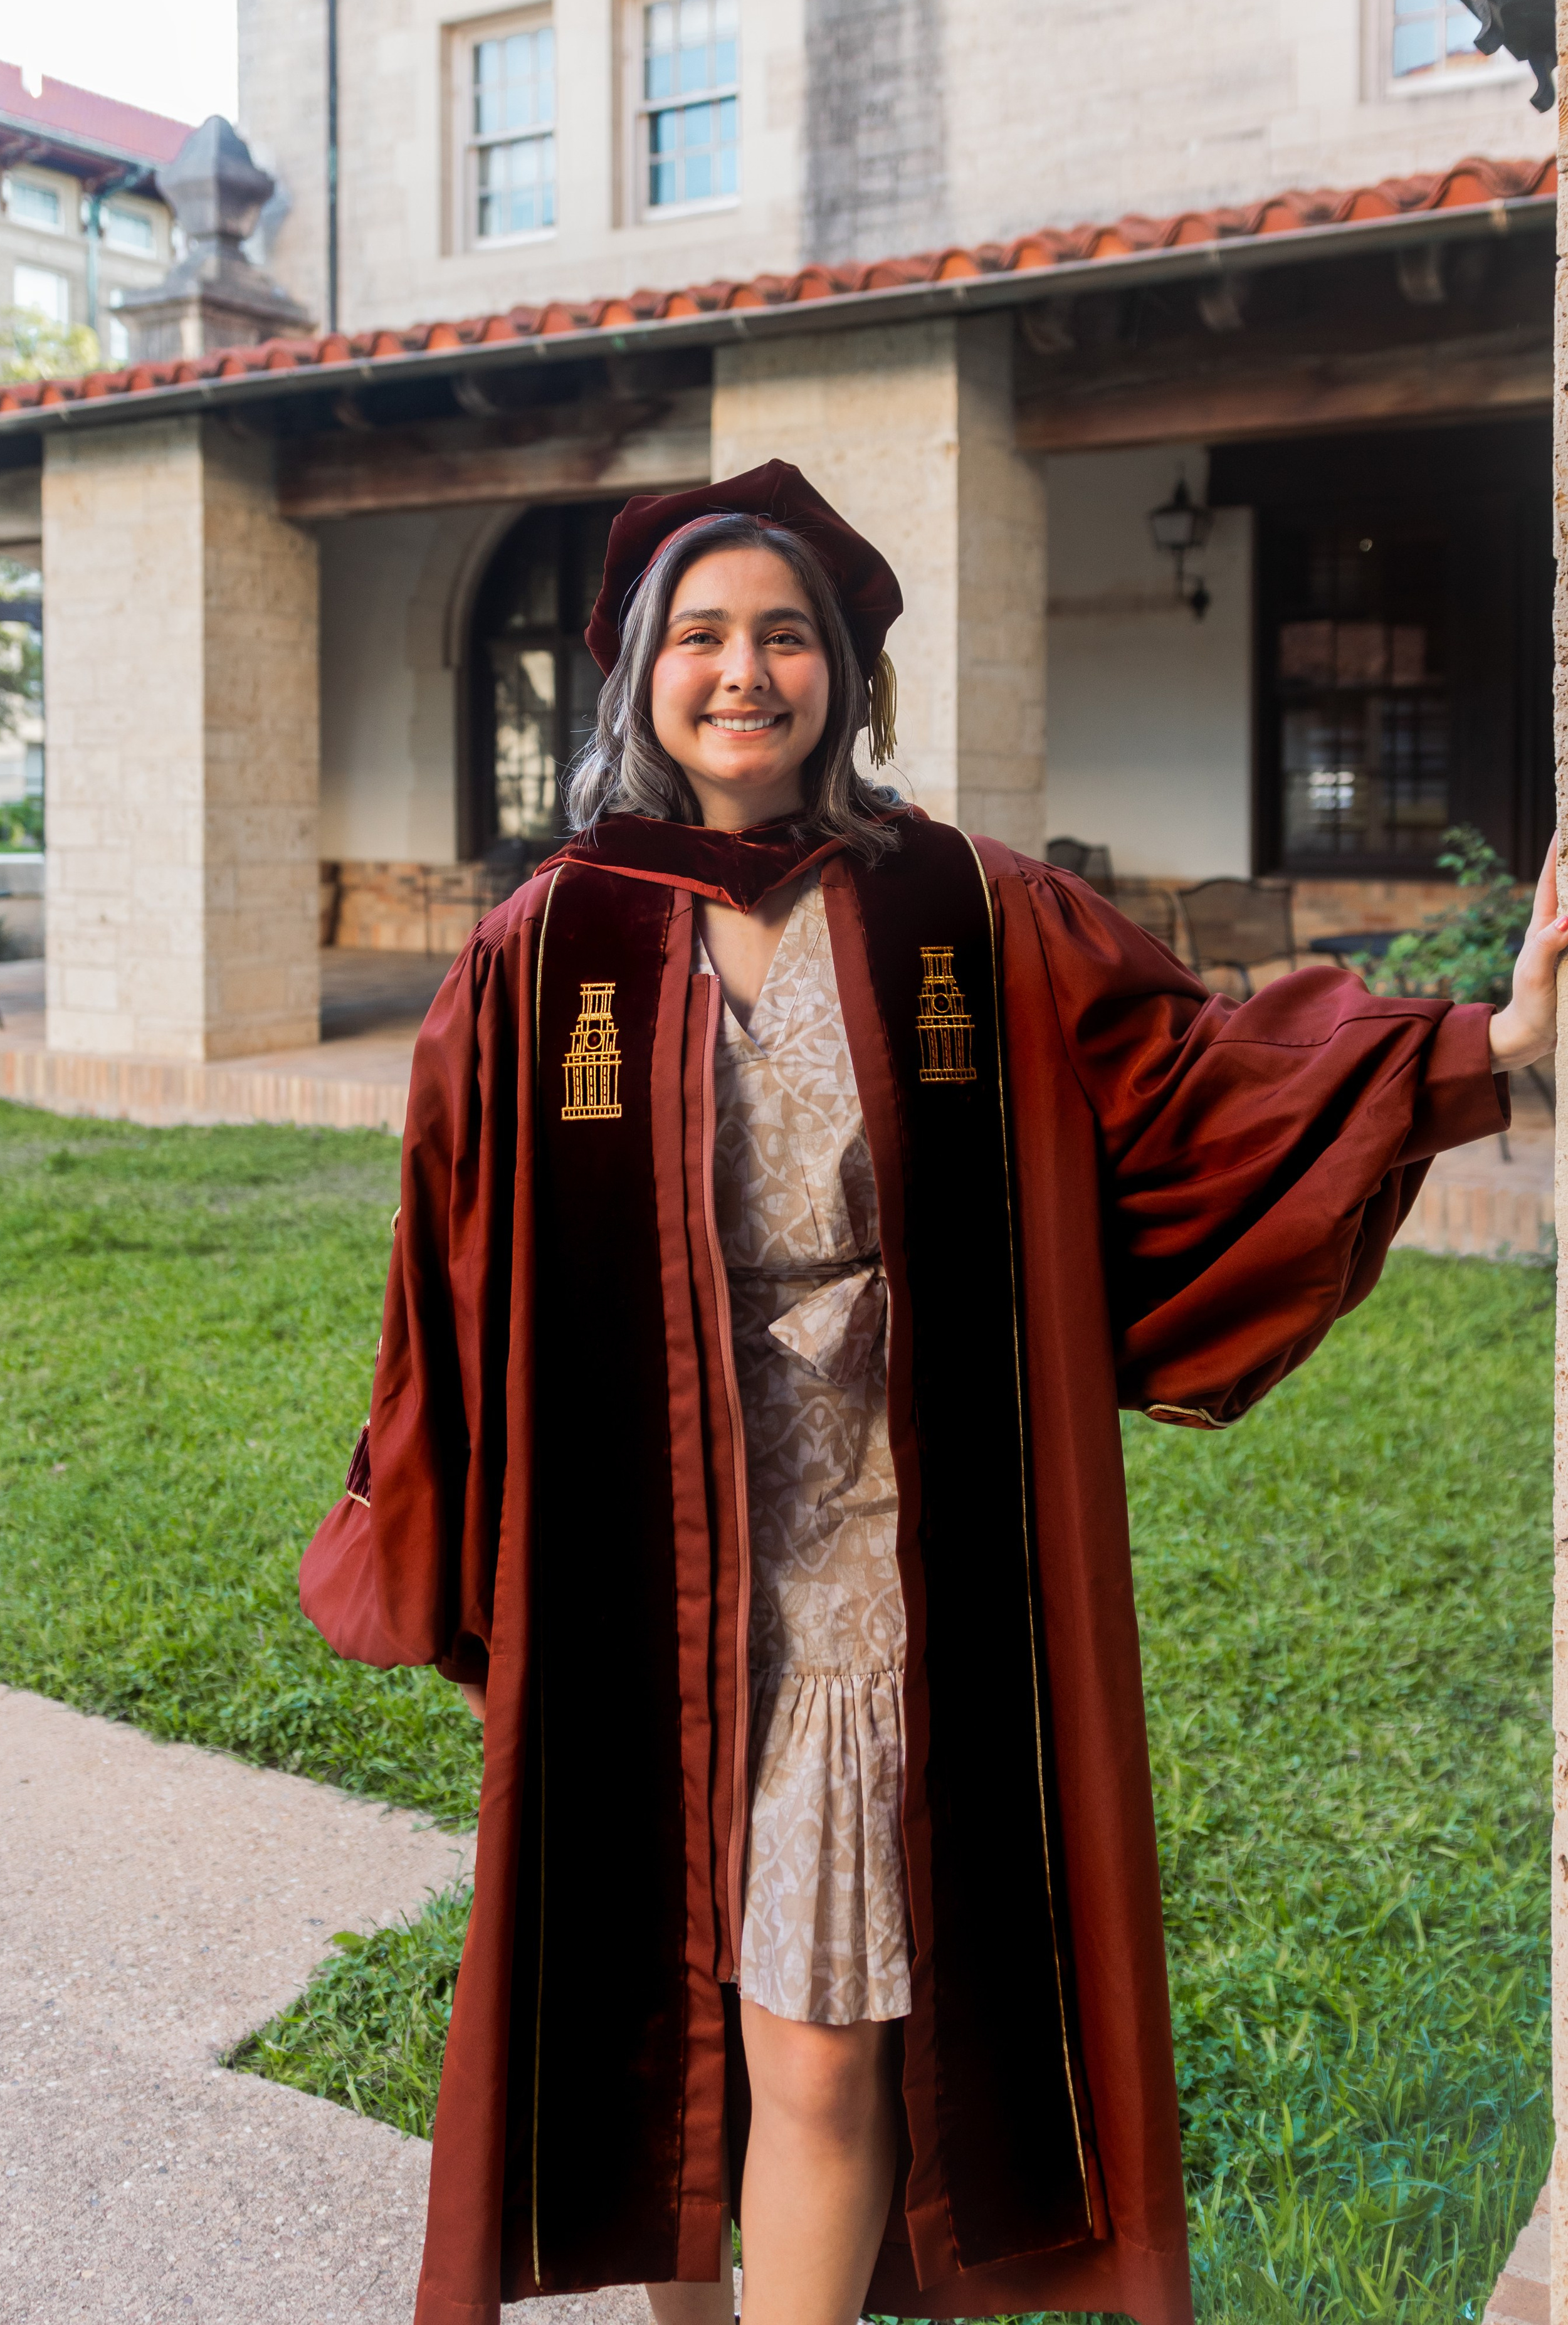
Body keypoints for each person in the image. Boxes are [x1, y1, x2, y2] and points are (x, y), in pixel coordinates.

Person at [300, 460, 1564, 2325]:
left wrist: (1497, 1041)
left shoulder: (963, 908)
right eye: (706, 636)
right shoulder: (544, 943)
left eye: (788, 636)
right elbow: (450, 1265)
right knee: (685, 2018)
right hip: (644, 1569)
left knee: (820, 2045)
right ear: (642, 675)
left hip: (883, 1556)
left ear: (846, 677)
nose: (748, 672)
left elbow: (1197, 1090)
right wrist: (424, 1523)